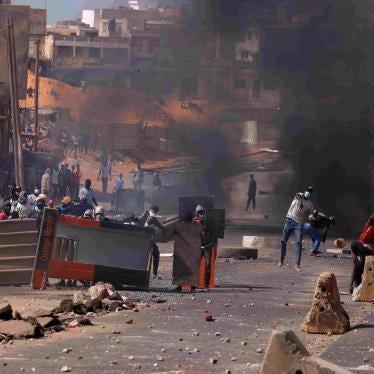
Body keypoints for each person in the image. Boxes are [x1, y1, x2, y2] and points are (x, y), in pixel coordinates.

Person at [279, 186, 314, 272]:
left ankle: (297, 264)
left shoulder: (309, 203)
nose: (308, 193)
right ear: (305, 191)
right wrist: (301, 202)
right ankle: (281, 260)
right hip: (289, 220)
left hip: (298, 223)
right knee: (283, 241)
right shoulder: (300, 195)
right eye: (308, 191)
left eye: (310, 192)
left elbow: (313, 212)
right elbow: (298, 196)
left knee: (298, 242)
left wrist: (314, 215)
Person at [192, 205, 216, 289]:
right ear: (196, 213)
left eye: (202, 212)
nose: (201, 214)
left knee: (208, 265)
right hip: (198, 246)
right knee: (195, 265)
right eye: (199, 212)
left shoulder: (209, 222)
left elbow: (214, 233)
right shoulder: (194, 221)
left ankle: (206, 285)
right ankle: (194, 284)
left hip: (207, 245)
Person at [350, 214, 374, 294]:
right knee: (358, 266)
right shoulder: (369, 225)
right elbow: (371, 218)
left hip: (361, 248)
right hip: (359, 246)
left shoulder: (369, 226)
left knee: (357, 267)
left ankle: (355, 286)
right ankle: (354, 286)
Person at [145, 206, 165, 279]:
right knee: (156, 255)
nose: (155, 211)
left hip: (149, 240)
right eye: (155, 210)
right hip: (148, 240)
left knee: (155, 255)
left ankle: (154, 274)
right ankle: (154, 273)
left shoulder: (151, 217)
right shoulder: (151, 217)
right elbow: (160, 226)